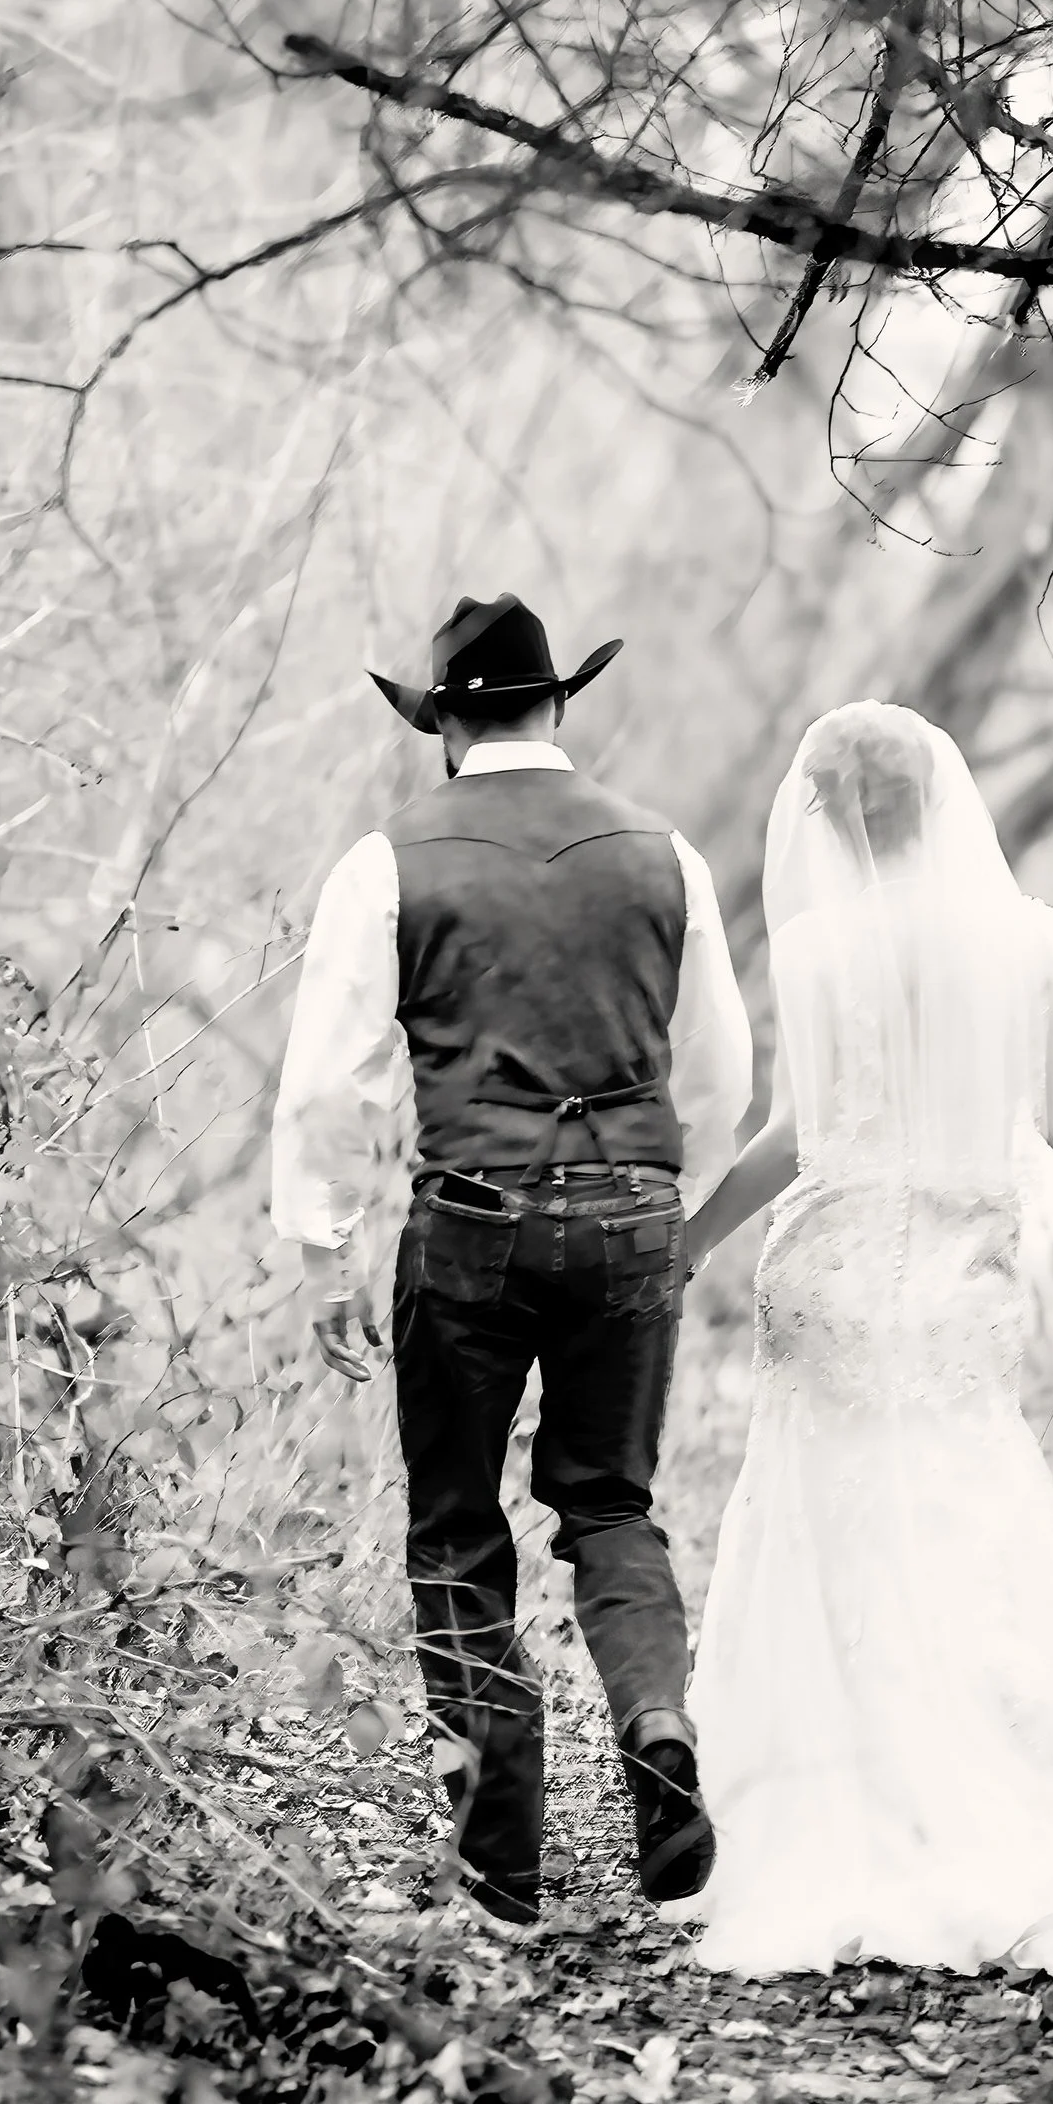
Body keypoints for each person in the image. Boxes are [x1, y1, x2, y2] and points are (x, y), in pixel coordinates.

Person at [679, 702, 1053, 1978]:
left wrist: (691, 1235)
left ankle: (845, 1802)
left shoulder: (820, 947)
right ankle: (1009, 1795)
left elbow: (799, 1132)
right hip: (953, 1283)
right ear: (941, 805)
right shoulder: (1023, 946)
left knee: (829, 1532)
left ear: (828, 820)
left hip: (830, 1275)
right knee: (967, 1515)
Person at [271, 592, 752, 1929]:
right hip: (631, 1217)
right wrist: (673, 1207)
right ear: (555, 705)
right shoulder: (666, 856)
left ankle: (503, 1865)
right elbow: (722, 1072)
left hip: (472, 1223)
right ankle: (657, 1724)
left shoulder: (390, 861)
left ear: (445, 724)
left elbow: (330, 1084)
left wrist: (320, 1248)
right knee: (609, 1503)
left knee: (455, 1528)